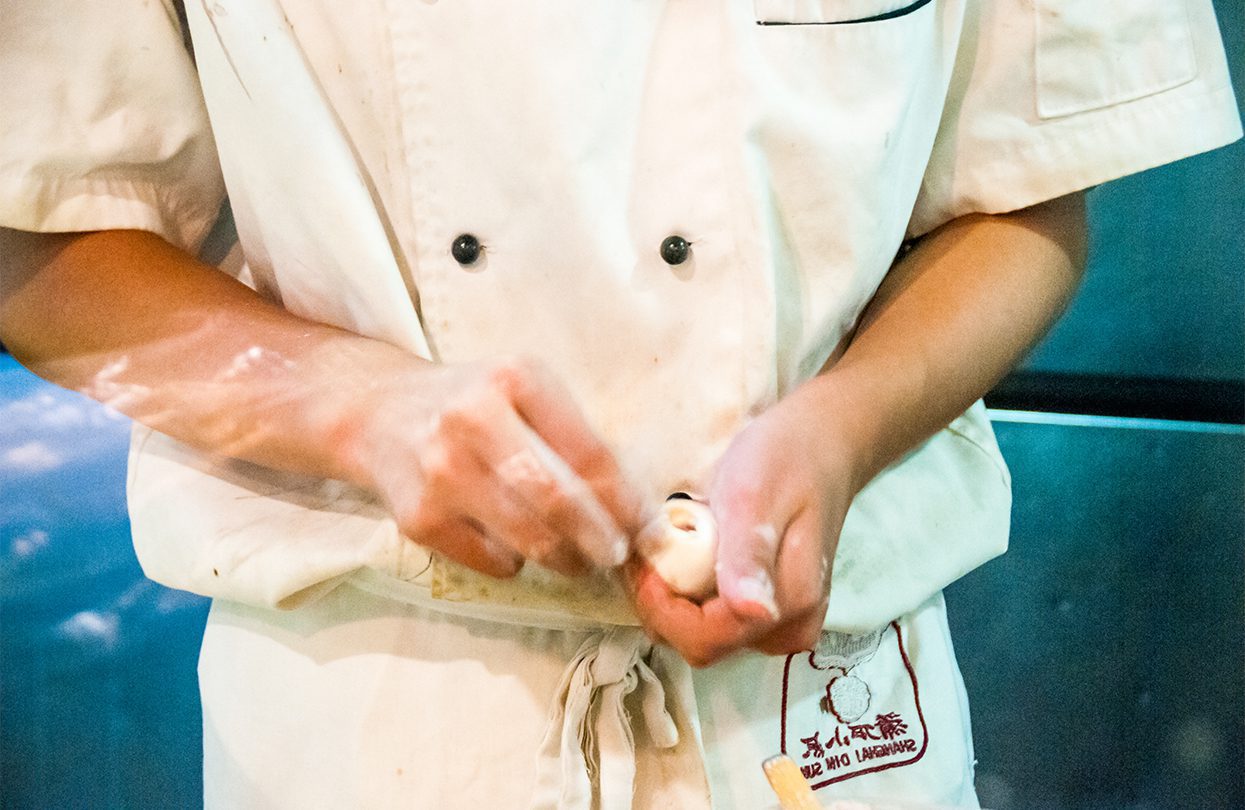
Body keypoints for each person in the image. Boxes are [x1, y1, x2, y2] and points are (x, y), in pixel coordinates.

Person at [0, 1, 1239, 807]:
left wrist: (841, 431)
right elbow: (38, 249)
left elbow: (1026, 191)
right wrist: (356, 409)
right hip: (386, 715)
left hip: (824, 709)